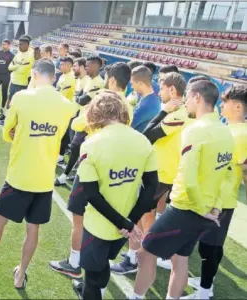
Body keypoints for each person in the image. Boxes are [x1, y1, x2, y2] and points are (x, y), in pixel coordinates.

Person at [0, 59, 77, 289]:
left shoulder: (22, 97)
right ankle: (20, 274)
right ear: (53, 77)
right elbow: (60, 136)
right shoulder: (66, 105)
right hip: (44, 178)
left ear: (34, 74)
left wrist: (18, 133)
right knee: (33, 228)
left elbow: (8, 131)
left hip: (19, 175)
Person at [131, 80, 235, 300]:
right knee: (181, 260)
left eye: (188, 96)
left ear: (197, 97)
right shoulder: (225, 131)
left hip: (185, 208)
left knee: (145, 253)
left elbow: (188, 179)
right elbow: (224, 175)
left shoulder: (196, 130)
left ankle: (135, 297)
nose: (185, 101)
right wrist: (213, 206)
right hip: (205, 210)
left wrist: (201, 208)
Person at [67, 91, 157, 299]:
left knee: (91, 277)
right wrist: (130, 222)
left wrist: (124, 223)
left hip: (99, 225)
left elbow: (90, 193)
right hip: (125, 225)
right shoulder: (142, 140)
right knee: (103, 263)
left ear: (95, 113)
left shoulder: (91, 143)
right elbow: (152, 187)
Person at [112, 72, 188, 275]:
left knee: (143, 215)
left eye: (162, 88)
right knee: (145, 214)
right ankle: (139, 255)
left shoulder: (178, 112)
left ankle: (138, 257)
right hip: (162, 170)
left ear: (172, 90)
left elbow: (147, 134)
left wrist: (162, 112)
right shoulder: (180, 111)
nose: (159, 92)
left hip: (162, 172)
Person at [185, 85, 247, 300]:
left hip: (220, 200)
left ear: (238, 106)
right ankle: (205, 281)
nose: (221, 105)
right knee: (208, 244)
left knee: (210, 246)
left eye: (225, 102)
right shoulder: (231, 130)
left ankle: (204, 292)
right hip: (217, 198)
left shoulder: (239, 134)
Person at [55, 61, 130, 187]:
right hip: (111, 155)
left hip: (93, 154)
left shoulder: (103, 100)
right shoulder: (127, 105)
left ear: (112, 80)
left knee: (81, 195)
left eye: (106, 77)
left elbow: (77, 124)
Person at [55, 56, 103, 169]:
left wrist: (79, 98)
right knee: (71, 142)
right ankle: (71, 164)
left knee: (76, 144)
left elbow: (81, 100)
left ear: (96, 66)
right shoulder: (88, 80)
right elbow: (79, 97)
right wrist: (79, 98)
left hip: (84, 117)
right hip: (76, 114)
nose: (86, 68)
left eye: (88, 66)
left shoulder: (98, 82)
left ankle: (76, 167)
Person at [0, 35, 34, 123]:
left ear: (26, 45)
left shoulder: (29, 56)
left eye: (21, 44)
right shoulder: (18, 54)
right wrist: (18, 65)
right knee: (9, 100)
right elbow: (10, 67)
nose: (19, 46)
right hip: (13, 81)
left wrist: (16, 67)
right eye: (18, 44)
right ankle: (5, 116)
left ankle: (12, 121)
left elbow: (22, 70)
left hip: (21, 84)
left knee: (16, 103)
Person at [56, 56, 77, 165]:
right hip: (60, 108)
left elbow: (62, 96)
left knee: (63, 134)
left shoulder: (71, 78)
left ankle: (60, 155)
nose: (60, 66)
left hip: (66, 110)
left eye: (62, 64)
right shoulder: (63, 76)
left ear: (69, 66)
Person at [130, 66, 161, 133]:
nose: (131, 87)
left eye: (132, 84)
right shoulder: (151, 98)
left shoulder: (146, 105)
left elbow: (127, 126)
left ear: (141, 83)